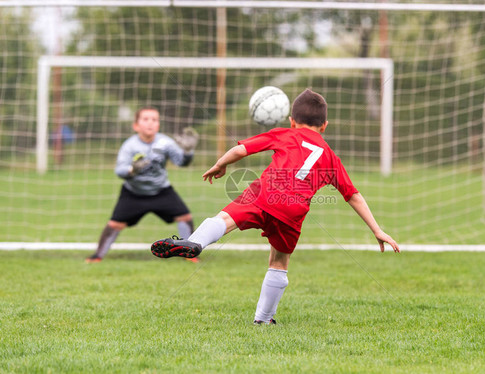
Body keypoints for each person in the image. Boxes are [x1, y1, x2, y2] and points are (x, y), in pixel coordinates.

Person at [151, 89, 400, 324]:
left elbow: (241, 149)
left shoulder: (284, 134)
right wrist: (377, 229)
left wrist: (220, 164)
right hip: (294, 211)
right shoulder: (330, 156)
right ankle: (263, 319)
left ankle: (196, 242)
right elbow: (353, 195)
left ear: (292, 121)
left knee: (225, 219)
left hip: (264, 194)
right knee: (279, 261)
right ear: (325, 126)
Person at [86, 106, 199, 263]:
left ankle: (189, 254)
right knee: (115, 224)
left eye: (154, 120)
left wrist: (187, 152)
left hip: (161, 191)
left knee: (185, 217)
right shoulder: (129, 145)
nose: (150, 123)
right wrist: (132, 169)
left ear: (158, 125)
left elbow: (182, 163)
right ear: (136, 125)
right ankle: (97, 256)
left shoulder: (166, 142)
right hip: (134, 193)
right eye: (145, 119)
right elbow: (119, 171)